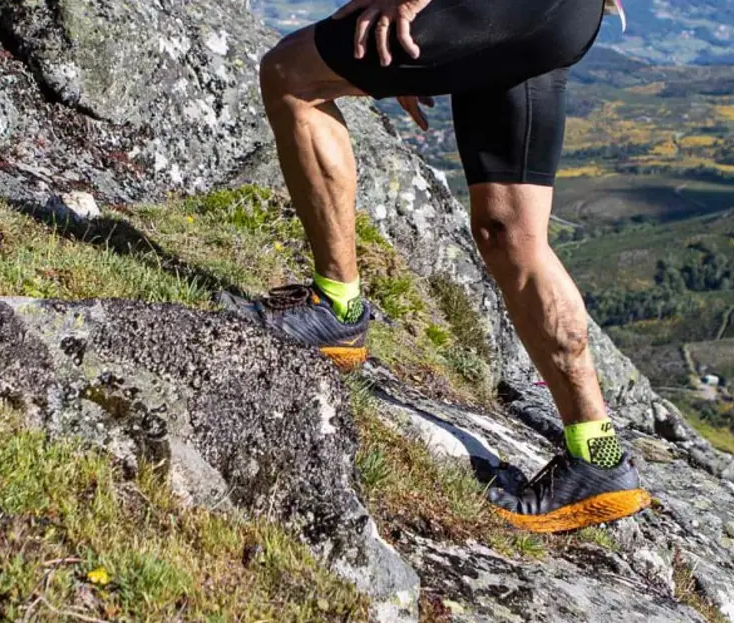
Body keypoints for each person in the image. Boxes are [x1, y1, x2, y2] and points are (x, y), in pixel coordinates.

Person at [221, 0, 649, 533]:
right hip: (559, 17)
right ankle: (597, 457)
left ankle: (336, 306)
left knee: (292, 75)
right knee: (509, 233)